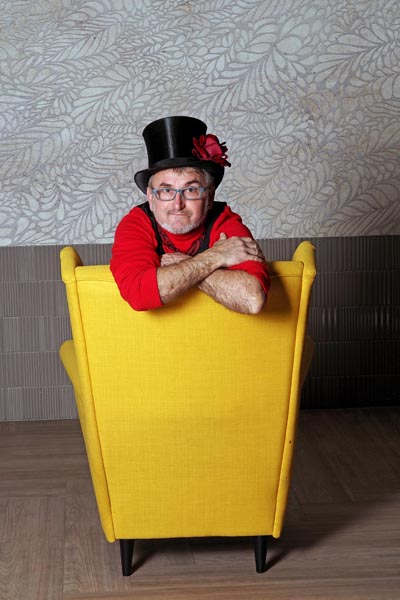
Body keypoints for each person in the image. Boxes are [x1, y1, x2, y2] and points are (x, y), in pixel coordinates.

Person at [110, 116, 270, 314]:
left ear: (210, 197)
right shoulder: (136, 223)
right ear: (150, 197)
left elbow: (252, 300)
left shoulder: (224, 222)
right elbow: (139, 294)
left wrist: (180, 264)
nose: (178, 204)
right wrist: (213, 258)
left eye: (191, 190)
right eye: (166, 190)